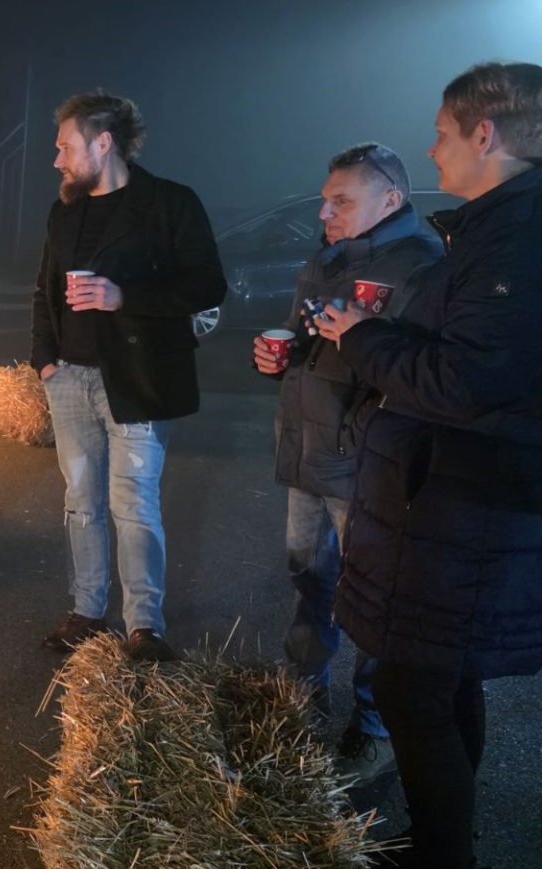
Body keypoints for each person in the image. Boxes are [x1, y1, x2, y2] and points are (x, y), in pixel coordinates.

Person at [315, 61, 542, 869]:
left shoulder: (517, 234)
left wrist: (364, 337)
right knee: (443, 677)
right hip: (458, 498)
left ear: (485, 134)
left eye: (442, 134)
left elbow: (468, 379)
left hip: (466, 503)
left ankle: (443, 853)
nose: (432, 148)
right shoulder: (493, 228)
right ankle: (446, 840)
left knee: (412, 688)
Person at [253, 143, 443, 784]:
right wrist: (276, 359)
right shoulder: (329, 257)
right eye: (323, 200)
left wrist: (363, 423)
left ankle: (375, 725)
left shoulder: (422, 268)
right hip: (308, 453)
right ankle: (302, 697)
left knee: (373, 602)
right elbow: (304, 337)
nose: (324, 213)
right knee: (309, 580)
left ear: (390, 199)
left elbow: (423, 378)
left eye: (340, 201)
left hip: (365, 464)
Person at [30, 91, 226, 662]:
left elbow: (207, 285)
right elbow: (45, 290)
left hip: (137, 378)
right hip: (69, 377)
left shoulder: (169, 203)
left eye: (65, 147)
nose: (57, 160)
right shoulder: (64, 211)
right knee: (80, 500)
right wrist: (46, 360)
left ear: (103, 144)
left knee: (133, 503)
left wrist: (124, 297)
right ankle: (87, 611)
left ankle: (144, 626)